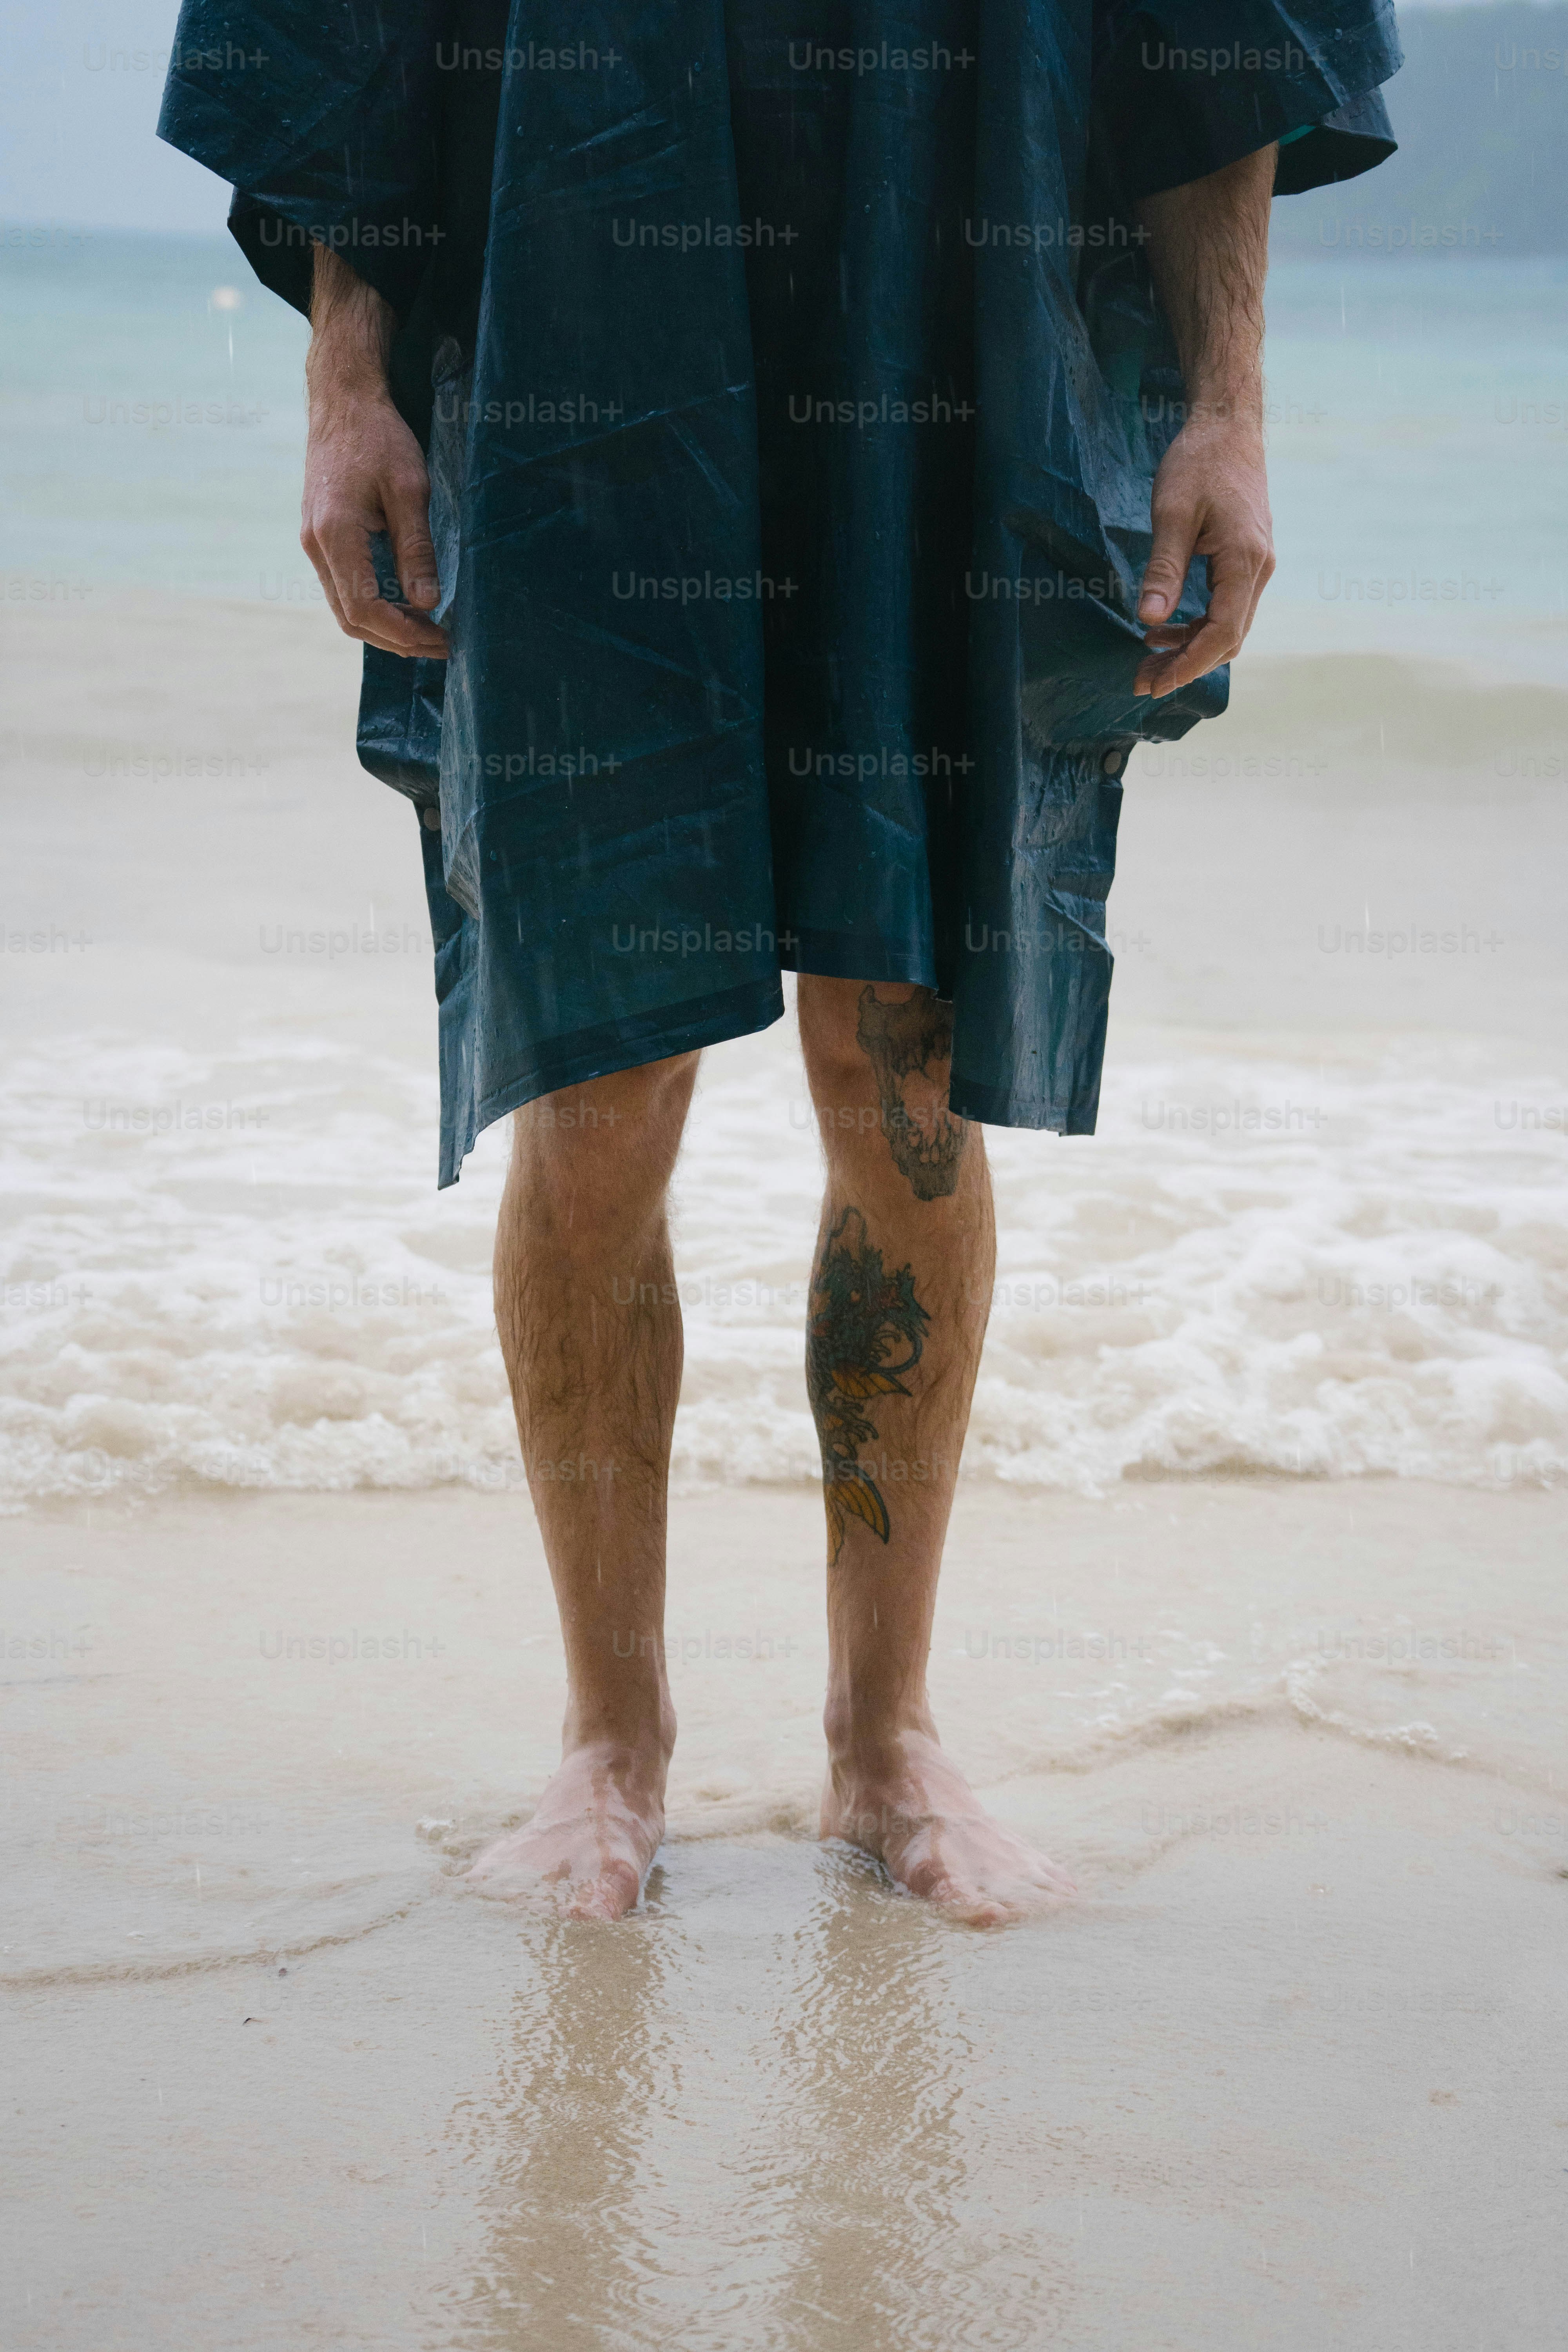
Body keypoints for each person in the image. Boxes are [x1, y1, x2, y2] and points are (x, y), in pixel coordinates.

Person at [159, 2, 1401, 1922]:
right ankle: (610, 1740)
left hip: (954, 289)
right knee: (598, 1057)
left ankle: (883, 1734)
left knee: (904, 1059)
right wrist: (344, 377)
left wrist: (1229, 406)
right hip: (575, 286)